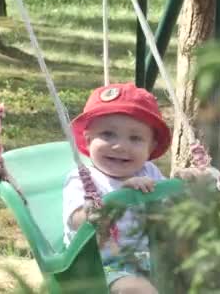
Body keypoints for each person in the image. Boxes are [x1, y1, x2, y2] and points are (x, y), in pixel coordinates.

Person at [62, 82, 172, 294]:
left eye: (135, 138)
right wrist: (123, 195)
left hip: (149, 260)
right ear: (88, 138)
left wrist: (187, 185)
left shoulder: (148, 172)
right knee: (136, 290)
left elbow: (171, 208)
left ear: (151, 147)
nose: (121, 146)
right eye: (108, 135)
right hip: (100, 265)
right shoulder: (82, 179)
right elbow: (77, 220)